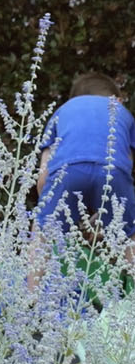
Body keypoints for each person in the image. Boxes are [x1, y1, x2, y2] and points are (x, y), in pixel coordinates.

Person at [35, 72, 135, 248]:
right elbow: (125, 168)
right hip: (114, 170)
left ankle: (33, 276)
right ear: (117, 100)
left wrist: (49, 209)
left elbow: (43, 179)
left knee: (43, 232)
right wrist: (104, 215)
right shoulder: (123, 112)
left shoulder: (63, 111)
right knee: (128, 234)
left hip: (67, 170)